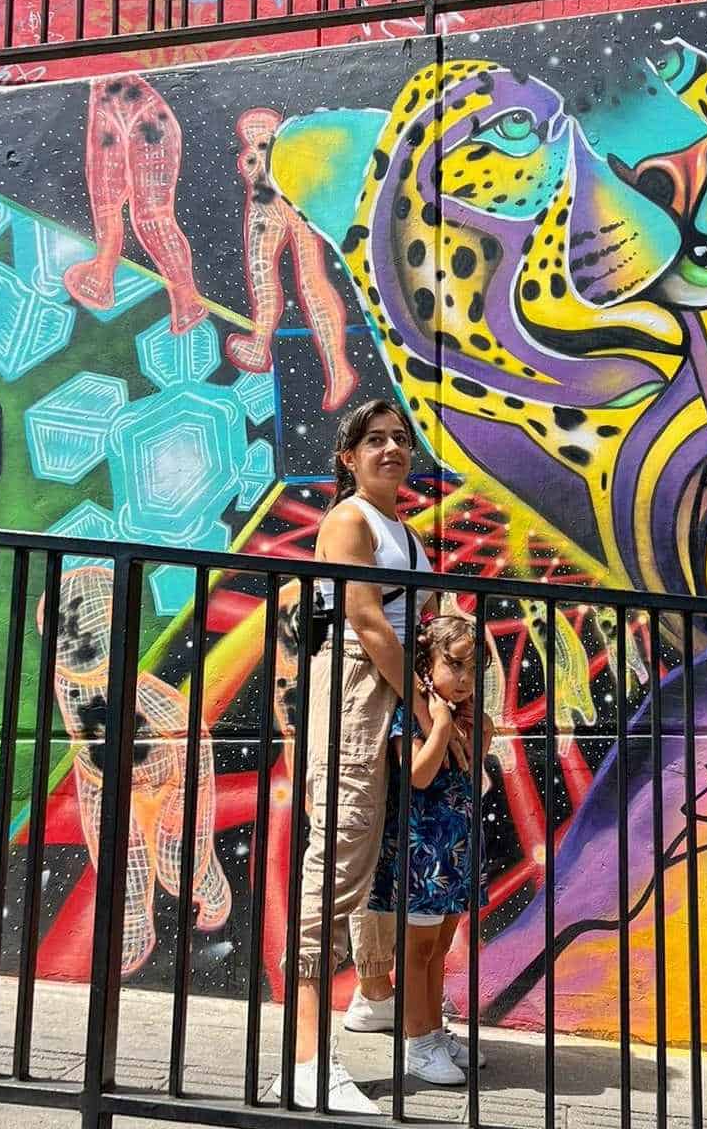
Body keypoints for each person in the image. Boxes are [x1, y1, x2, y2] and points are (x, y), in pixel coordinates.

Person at [270, 398, 468, 1113]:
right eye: (375, 440)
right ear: (349, 458)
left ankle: (380, 1004)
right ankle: (302, 1066)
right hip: (359, 693)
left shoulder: (404, 531)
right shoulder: (350, 519)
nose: (392, 449)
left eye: (401, 440)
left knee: (386, 862)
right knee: (340, 861)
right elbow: (364, 619)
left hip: (390, 697)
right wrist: (423, 709)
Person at [370, 614, 492, 1085]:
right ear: (426, 662)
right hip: (423, 854)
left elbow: (471, 767)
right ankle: (416, 1042)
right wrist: (440, 724)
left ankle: (434, 1033)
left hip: (456, 850)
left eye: (472, 669)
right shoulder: (412, 714)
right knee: (417, 949)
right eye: (454, 665)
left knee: (440, 945)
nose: (463, 679)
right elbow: (418, 774)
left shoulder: (465, 716)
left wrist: (471, 725)